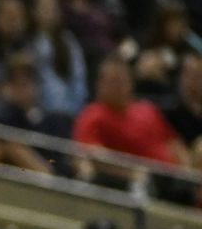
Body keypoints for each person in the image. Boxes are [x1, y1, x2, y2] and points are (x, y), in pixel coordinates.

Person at [73, 55, 187, 185]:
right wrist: (134, 173)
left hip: (175, 178)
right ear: (100, 84)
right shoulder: (93, 115)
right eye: (112, 81)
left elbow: (174, 142)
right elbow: (93, 155)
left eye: (122, 81)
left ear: (131, 83)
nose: (118, 87)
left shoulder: (147, 109)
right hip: (142, 184)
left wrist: (187, 174)